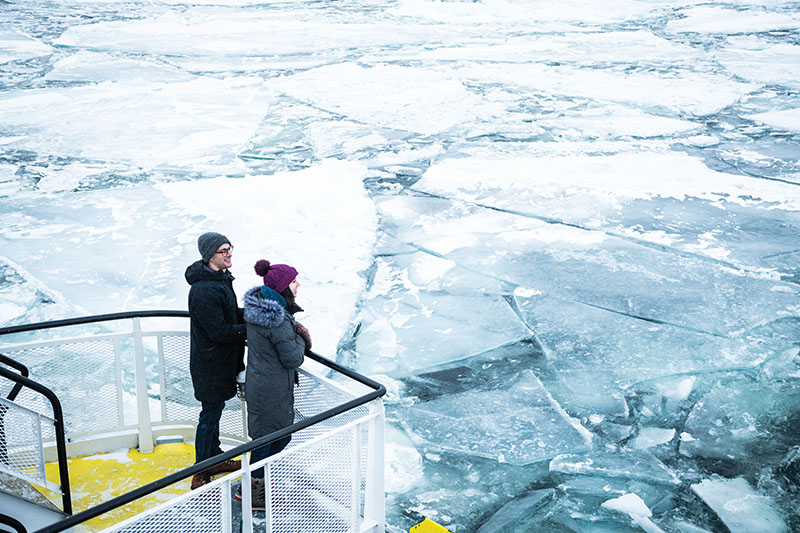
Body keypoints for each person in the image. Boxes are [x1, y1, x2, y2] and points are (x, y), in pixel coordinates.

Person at [235, 259, 311, 510]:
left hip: (264, 384)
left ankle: (255, 481)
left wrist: (293, 328)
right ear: (282, 287)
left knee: (275, 436)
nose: (298, 285)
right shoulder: (276, 319)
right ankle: (252, 491)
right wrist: (302, 338)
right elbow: (293, 358)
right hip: (271, 389)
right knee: (269, 439)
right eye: (293, 281)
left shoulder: (262, 309)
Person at [185, 232, 247, 490]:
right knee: (209, 415)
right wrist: (251, 330)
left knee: (215, 411)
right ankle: (200, 473)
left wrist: (255, 313)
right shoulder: (203, 290)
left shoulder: (220, 279)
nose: (229, 253)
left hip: (220, 362)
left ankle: (215, 458)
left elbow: (229, 314)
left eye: (230, 248)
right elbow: (219, 331)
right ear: (210, 255)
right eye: (223, 250)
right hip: (210, 364)